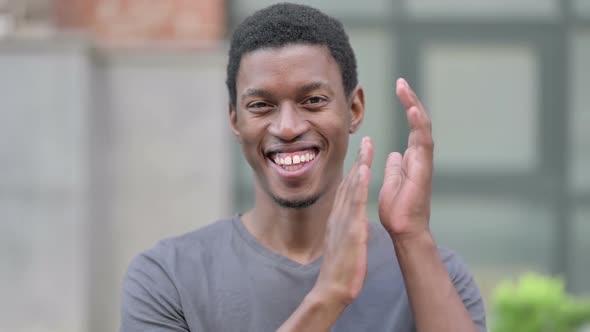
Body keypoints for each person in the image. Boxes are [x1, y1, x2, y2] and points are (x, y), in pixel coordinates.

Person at [120, 3, 487, 331]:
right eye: (261, 105)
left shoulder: (434, 273)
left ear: (354, 109)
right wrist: (326, 299)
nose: (288, 127)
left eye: (313, 100)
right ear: (235, 121)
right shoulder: (167, 277)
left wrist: (411, 239)